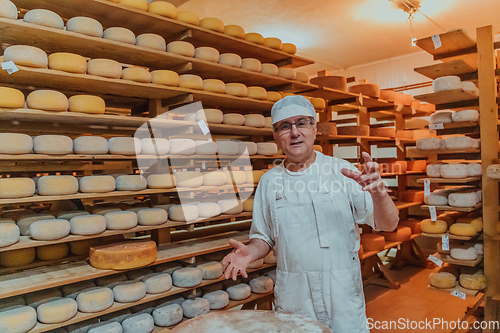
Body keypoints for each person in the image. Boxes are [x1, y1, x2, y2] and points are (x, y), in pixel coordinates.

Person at [222, 95, 399, 332]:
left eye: (302, 123)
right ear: (276, 136)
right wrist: (250, 253)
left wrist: (378, 193)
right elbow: (263, 238)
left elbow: (388, 224)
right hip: (295, 296)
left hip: (342, 293)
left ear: (314, 129)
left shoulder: (341, 171)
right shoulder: (269, 182)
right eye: (285, 126)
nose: (294, 132)